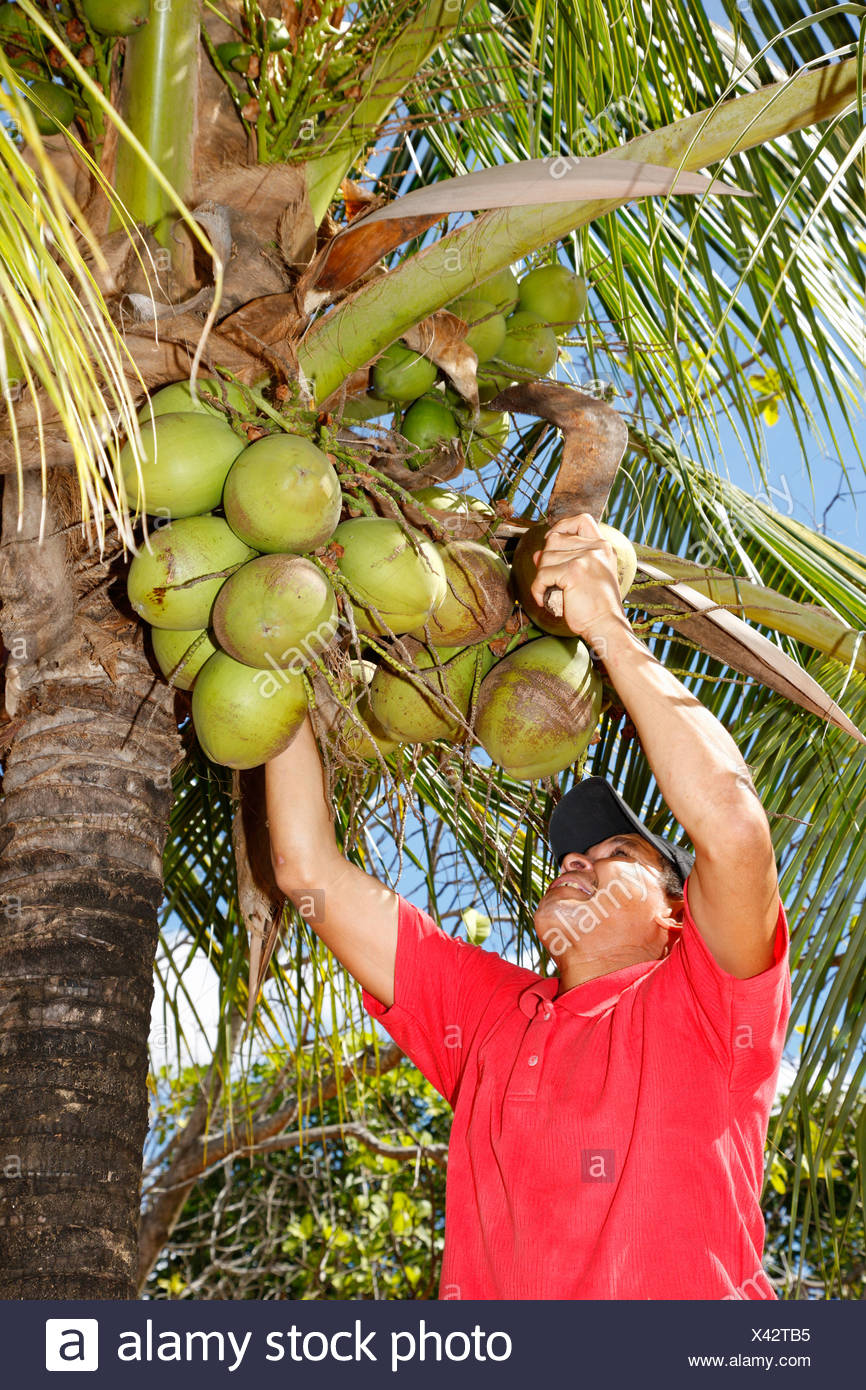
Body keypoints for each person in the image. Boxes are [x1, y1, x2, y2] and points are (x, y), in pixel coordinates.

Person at [265, 512, 790, 1300]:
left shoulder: (708, 1002)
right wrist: (273, 648)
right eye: (579, 854)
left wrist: (604, 621)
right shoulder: (492, 1018)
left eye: (619, 855)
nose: (576, 859)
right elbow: (307, 871)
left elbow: (734, 825)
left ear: (678, 916)